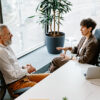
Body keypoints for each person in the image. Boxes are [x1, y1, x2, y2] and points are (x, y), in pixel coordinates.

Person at [0, 24, 49, 98]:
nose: (12, 35)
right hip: (16, 85)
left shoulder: (7, 46)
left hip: (23, 77)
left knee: (50, 77)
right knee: (42, 90)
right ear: (1, 37)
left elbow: (13, 67)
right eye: (9, 34)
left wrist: (24, 68)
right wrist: (27, 70)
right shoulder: (1, 52)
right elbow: (12, 75)